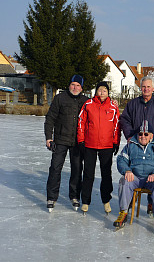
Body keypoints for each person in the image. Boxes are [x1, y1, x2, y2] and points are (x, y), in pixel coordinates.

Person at [120, 76, 154, 214]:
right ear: (140, 88)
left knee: (153, 171)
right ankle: (129, 203)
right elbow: (125, 119)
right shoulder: (132, 104)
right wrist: (130, 135)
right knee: (135, 170)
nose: (146, 89)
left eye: (148, 87)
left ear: (153, 89)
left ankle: (152, 204)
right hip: (137, 141)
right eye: (143, 87)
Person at [114, 120, 154, 232]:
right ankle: (123, 212)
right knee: (124, 180)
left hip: (152, 178)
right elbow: (121, 159)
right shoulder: (131, 145)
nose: (143, 136)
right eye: (140, 134)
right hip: (135, 178)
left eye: (146, 134)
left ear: (151, 135)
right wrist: (127, 170)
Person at [44, 74, 88, 212]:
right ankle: (51, 197)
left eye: (78, 85)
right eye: (73, 85)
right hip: (60, 139)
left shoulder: (86, 101)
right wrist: (48, 137)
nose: (75, 88)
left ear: (82, 87)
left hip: (77, 142)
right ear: (69, 85)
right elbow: (50, 118)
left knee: (76, 169)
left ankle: (74, 196)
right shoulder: (60, 98)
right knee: (55, 168)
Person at [77, 81, 121, 214]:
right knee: (88, 174)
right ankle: (85, 201)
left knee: (106, 174)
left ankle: (106, 200)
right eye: (99, 90)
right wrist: (81, 140)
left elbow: (117, 126)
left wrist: (116, 142)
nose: (102, 93)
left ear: (108, 93)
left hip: (107, 145)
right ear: (96, 92)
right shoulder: (88, 104)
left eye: (104, 91)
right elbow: (81, 122)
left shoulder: (113, 106)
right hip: (90, 144)